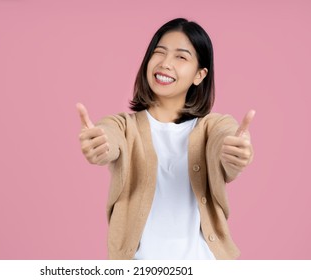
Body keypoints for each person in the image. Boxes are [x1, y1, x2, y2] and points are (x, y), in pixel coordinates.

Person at [76, 18, 255, 260]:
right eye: (159, 53)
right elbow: (109, 136)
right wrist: (100, 144)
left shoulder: (213, 127)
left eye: (181, 57)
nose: (165, 63)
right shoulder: (125, 126)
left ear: (199, 75)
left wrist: (236, 153)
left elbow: (225, 142)